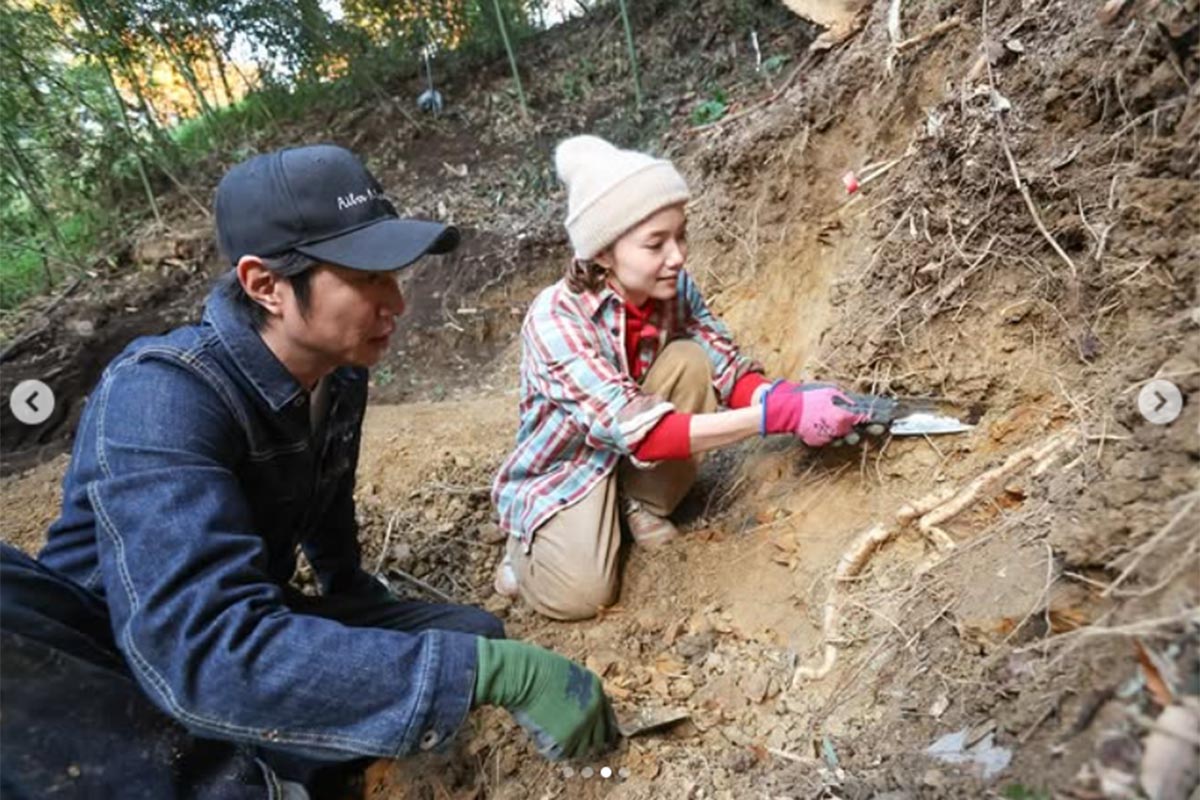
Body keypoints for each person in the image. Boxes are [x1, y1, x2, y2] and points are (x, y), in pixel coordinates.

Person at [3, 144, 616, 798]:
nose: (398, 303)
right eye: (367, 276)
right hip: (112, 667)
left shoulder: (340, 372)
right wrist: (493, 675)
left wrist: (349, 587)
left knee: (469, 632)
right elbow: (200, 647)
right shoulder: (161, 396)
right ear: (265, 284)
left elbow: (326, 501)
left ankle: (280, 755)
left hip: (242, 624)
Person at [491, 135, 869, 621]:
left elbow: (722, 366)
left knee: (690, 358)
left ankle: (641, 503)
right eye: (656, 243)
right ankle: (529, 557)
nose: (678, 256)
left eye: (680, 235)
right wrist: (779, 415)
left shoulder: (671, 287)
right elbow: (646, 436)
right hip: (571, 467)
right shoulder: (556, 318)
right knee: (583, 597)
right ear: (603, 253)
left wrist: (784, 395)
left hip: (629, 440)